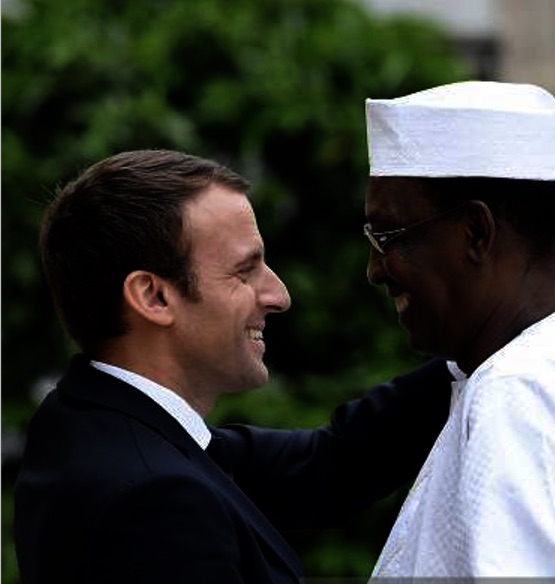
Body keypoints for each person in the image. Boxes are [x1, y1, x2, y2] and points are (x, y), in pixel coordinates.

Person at [13, 149, 456, 583]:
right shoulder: (158, 500)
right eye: (244, 272)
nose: (278, 296)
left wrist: (480, 344)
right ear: (153, 297)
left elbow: (329, 466)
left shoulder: (89, 417)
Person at [363, 81, 555, 578]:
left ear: (475, 234)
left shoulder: (522, 393)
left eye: (388, 236)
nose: (376, 269)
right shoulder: (551, 361)